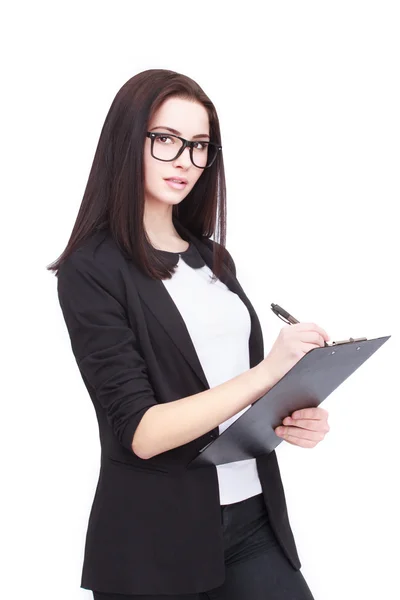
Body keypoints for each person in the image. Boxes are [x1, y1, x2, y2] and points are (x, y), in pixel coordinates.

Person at [48, 69, 331, 600]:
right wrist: (268, 372)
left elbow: (228, 394)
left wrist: (289, 412)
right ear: (128, 141)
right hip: (153, 542)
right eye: (166, 140)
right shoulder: (91, 271)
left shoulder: (211, 258)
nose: (185, 160)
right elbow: (144, 432)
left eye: (200, 145)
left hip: (253, 519)